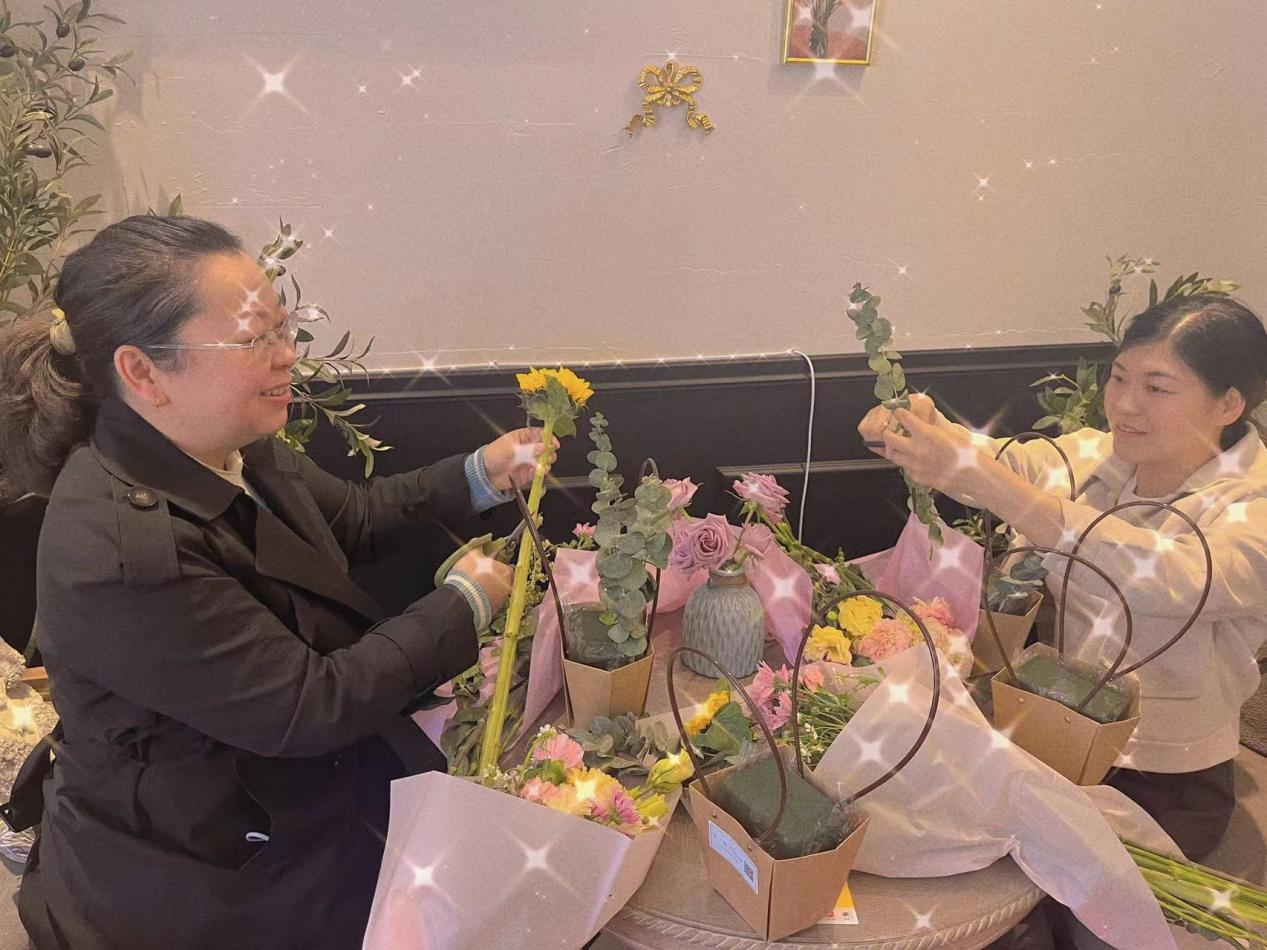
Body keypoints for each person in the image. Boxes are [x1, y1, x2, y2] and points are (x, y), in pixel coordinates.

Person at [0, 215, 551, 949]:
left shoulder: (228, 442)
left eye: (284, 329)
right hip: (202, 875)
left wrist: (480, 473)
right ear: (143, 372)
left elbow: (352, 517)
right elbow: (307, 707)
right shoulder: (120, 553)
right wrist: (462, 604)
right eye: (252, 339)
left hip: (290, 806)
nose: (286, 354)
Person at [859, 293, 1267, 861]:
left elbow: (1176, 577)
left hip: (1165, 776)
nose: (1125, 405)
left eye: (1157, 388)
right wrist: (927, 433)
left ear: (1228, 403)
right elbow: (1006, 463)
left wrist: (1013, 498)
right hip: (1051, 736)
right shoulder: (1103, 454)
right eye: (1119, 378)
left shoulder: (1253, 504)